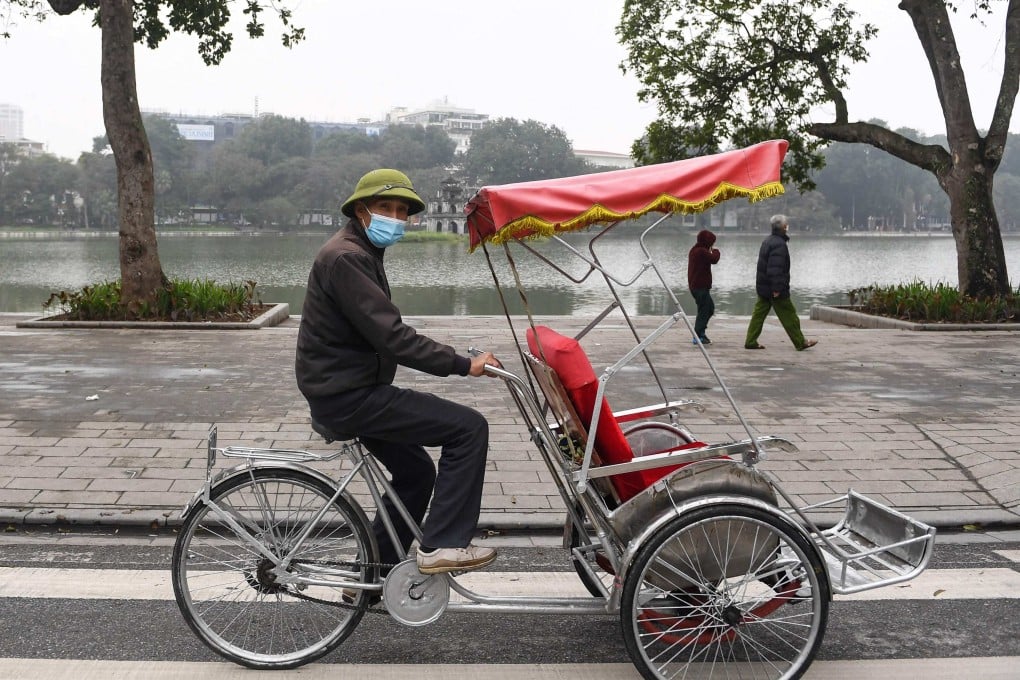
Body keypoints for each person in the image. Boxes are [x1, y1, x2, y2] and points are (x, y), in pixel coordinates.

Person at [294, 168, 501, 577]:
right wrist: (462, 364)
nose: (396, 216)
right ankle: (442, 545)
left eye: (402, 210)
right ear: (361, 211)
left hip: (345, 390)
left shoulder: (359, 251)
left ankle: (369, 575)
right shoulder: (348, 257)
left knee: (417, 471)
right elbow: (393, 336)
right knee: (469, 428)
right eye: (385, 207)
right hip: (350, 396)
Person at [744, 214, 818, 351]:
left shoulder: (768, 241)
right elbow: (775, 269)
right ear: (784, 227)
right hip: (774, 289)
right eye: (787, 224)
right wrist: (777, 288)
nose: (787, 226)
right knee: (790, 315)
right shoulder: (779, 244)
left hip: (764, 287)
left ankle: (750, 341)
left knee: (758, 316)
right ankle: (800, 341)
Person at [687, 229, 721, 344]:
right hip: (699, 287)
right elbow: (714, 259)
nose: (713, 245)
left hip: (697, 286)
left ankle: (701, 333)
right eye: (712, 242)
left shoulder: (694, 250)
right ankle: (698, 336)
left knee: (709, 309)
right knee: (704, 310)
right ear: (707, 242)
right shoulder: (701, 251)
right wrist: (716, 251)